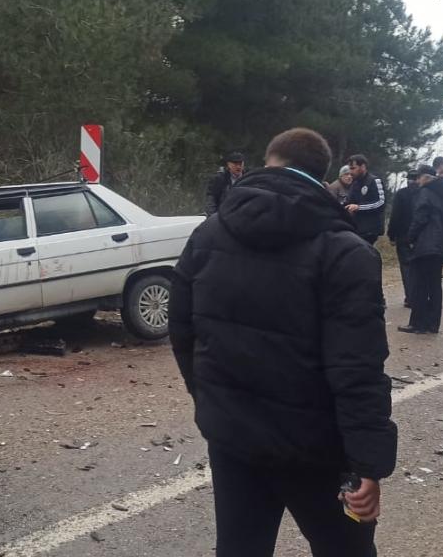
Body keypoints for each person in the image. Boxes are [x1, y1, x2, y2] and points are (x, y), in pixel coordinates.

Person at [170, 127, 396, 557]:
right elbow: (359, 369)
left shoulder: (209, 234)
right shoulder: (347, 252)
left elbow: (182, 331)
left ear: (267, 160)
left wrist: (211, 400)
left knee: (240, 548)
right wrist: (369, 464)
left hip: (233, 438)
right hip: (316, 448)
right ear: (323, 173)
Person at [402, 165, 443, 334]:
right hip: (441, 247)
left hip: (425, 245)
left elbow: (420, 218)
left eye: (419, 178)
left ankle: (417, 323)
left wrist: (410, 238)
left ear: (425, 177)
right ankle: (433, 324)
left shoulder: (425, 193)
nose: (417, 181)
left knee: (419, 285)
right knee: (435, 285)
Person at [387, 168, 422, 309]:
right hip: (420, 237)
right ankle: (419, 296)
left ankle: (410, 297)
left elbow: (395, 216)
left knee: (406, 268)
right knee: (418, 268)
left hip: (403, 236)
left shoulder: (401, 194)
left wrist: (391, 235)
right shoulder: (423, 194)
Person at [346, 155, 387, 245]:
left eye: (353, 168)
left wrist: (359, 207)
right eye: (350, 169)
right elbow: (349, 202)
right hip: (356, 229)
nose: (351, 172)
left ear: (363, 167)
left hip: (370, 230)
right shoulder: (354, 183)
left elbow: (380, 203)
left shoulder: (374, 181)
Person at [204, 151, 246, 215]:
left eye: (240, 164)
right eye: (235, 164)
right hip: (224, 216)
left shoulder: (249, 178)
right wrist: (213, 217)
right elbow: (211, 199)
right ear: (228, 164)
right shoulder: (219, 179)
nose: (238, 167)